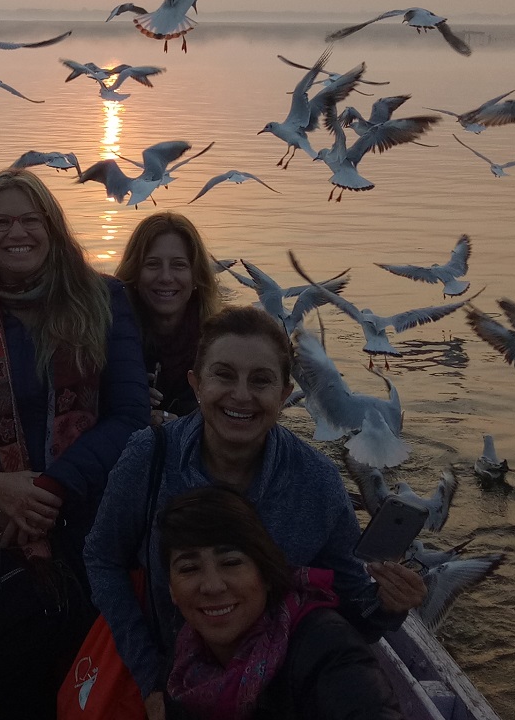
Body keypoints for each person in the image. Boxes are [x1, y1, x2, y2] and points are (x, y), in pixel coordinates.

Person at [84, 305, 426, 720]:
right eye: (224, 375)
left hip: (278, 696)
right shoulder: (151, 457)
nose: (241, 395)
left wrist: (390, 603)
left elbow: (353, 610)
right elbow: (103, 559)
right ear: (196, 383)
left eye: (260, 380)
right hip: (171, 684)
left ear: (285, 393)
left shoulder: (315, 482)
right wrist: (150, 677)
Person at [0, 169, 149, 717]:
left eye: (29, 219)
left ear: (52, 227)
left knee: (84, 689)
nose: (15, 232)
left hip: (88, 533)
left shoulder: (103, 299)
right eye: (0, 222)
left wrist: (50, 489)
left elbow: (130, 417)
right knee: (0, 689)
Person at [157, 487, 403, 720]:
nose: (212, 586)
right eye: (189, 568)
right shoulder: (185, 659)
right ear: (171, 590)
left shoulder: (324, 649)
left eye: (231, 563)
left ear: (266, 574)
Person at [114, 212, 222, 420]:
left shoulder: (219, 345)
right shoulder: (109, 342)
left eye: (179, 265)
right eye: (152, 264)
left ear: (196, 276)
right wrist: (126, 399)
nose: (165, 277)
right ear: (135, 273)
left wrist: (183, 425)